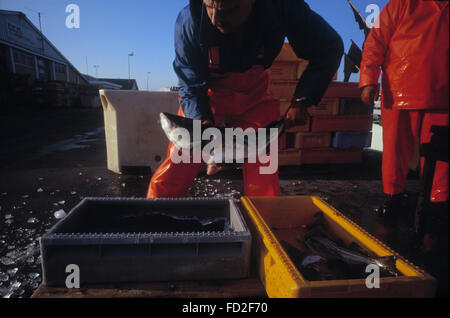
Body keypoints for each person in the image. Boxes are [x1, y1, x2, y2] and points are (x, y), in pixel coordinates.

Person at [147, 0, 343, 198]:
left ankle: (264, 223)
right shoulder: (187, 21)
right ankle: (152, 216)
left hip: (254, 96)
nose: (216, 19)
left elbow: (329, 47)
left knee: (263, 171)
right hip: (206, 96)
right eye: (209, 7)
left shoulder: (284, 7)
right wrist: (203, 125)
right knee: (180, 158)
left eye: (229, 10)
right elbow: (190, 83)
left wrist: (303, 100)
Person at [359, 0, 449, 257]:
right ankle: (391, 204)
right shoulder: (401, 4)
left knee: (442, 160)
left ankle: (436, 216)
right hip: (398, 92)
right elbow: (376, 41)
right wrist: (368, 79)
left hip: (444, 101)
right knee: (395, 154)